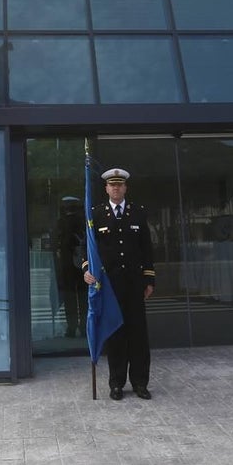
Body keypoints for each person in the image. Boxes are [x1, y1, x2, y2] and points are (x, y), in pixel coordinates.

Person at [83, 168, 156, 401]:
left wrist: (149, 279)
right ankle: (116, 384)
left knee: (138, 335)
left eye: (120, 185)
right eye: (112, 185)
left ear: (125, 188)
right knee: (116, 335)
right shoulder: (96, 215)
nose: (116, 189)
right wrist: (87, 270)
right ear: (106, 189)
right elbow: (87, 249)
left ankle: (140, 382)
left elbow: (147, 248)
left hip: (135, 284)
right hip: (110, 286)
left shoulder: (138, 213)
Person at [53, 197, 88, 339]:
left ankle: (72, 327)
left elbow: (56, 244)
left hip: (67, 266)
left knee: (70, 298)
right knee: (83, 297)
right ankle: (84, 326)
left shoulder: (61, 223)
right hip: (81, 265)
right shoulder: (82, 222)